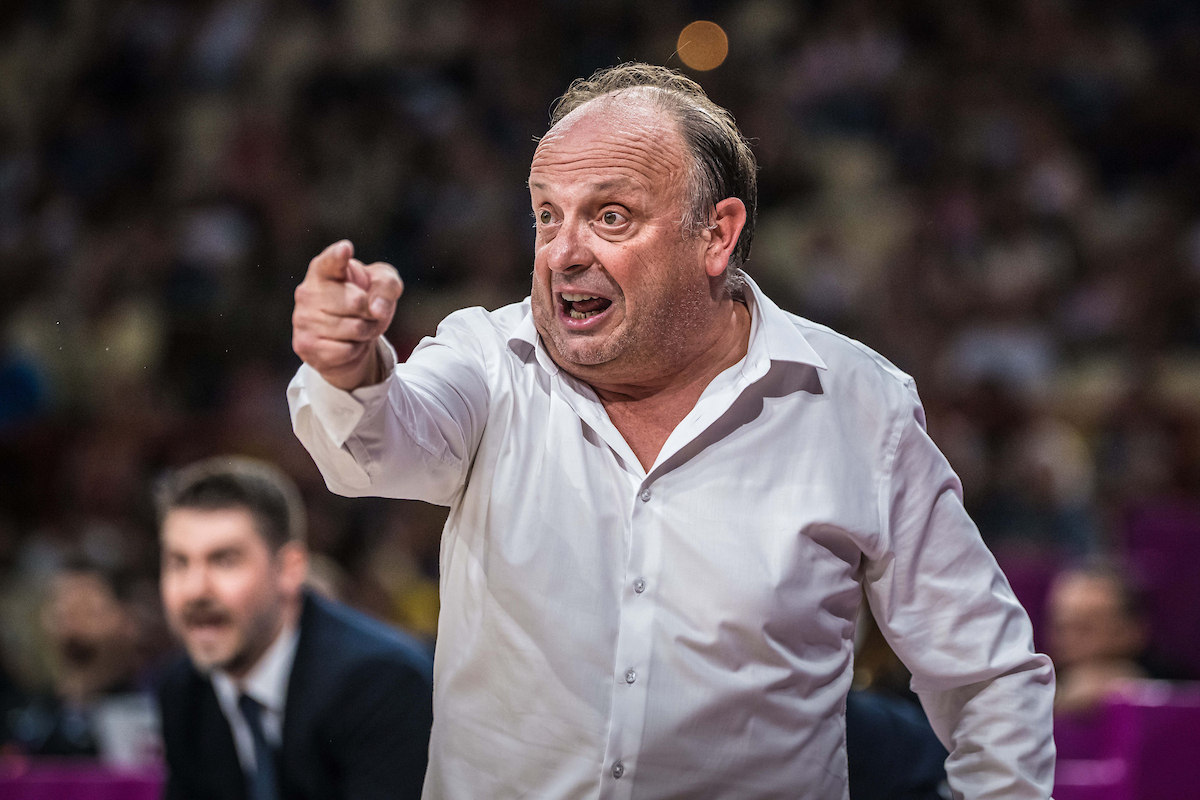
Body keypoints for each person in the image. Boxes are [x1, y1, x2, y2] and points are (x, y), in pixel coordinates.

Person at [288, 63, 1054, 798]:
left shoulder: (856, 403)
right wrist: (349, 368)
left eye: (610, 216)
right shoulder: (488, 360)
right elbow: (372, 452)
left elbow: (985, 675)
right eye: (547, 215)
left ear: (716, 235)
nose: (564, 253)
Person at [155, 456, 433, 800]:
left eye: (224, 560)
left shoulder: (379, 682)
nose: (196, 590)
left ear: (289, 569)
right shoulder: (182, 690)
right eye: (178, 563)